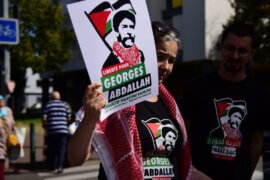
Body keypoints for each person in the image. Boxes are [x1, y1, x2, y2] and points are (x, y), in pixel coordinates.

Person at [68, 21, 194, 179]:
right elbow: (75, 158)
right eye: (160, 57)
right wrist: (90, 118)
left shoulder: (171, 106)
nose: (166, 66)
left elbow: (178, 161)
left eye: (171, 60)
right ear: (142, 52)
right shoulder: (115, 99)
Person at [180, 22, 269, 180]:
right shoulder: (197, 87)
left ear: (252, 53)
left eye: (242, 51)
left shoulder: (259, 94)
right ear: (221, 47)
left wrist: (245, 175)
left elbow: (256, 142)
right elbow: (183, 136)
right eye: (230, 48)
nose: (235, 56)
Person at [42, 91, 71, 173]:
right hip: (63, 130)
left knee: (52, 149)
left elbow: (44, 118)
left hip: (51, 130)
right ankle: (60, 167)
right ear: (59, 97)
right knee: (61, 149)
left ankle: (53, 166)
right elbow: (68, 117)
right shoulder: (65, 105)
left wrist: (46, 125)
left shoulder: (48, 105)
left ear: (51, 97)